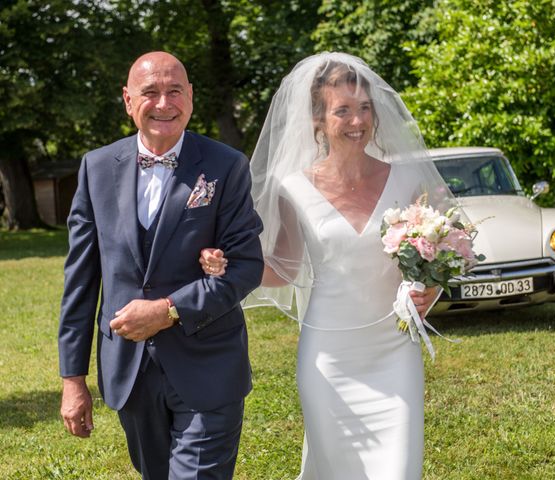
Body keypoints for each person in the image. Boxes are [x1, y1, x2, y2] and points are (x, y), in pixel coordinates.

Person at [200, 52, 456, 479]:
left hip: (394, 351)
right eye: (343, 111)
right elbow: (283, 268)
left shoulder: (409, 180)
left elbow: (448, 245)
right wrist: (226, 265)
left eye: (364, 108)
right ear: (318, 120)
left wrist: (430, 286)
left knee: (399, 470)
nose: (357, 121)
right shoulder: (293, 187)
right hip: (328, 358)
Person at [58, 51, 264, 479]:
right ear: (128, 100)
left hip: (209, 365)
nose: (164, 103)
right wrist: (73, 379)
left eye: (174, 91)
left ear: (191, 96)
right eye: (149, 92)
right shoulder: (96, 168)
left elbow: (245, 266)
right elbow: (81, 282)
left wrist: (168, 310)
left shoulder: (226, 166)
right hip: (129, 373)